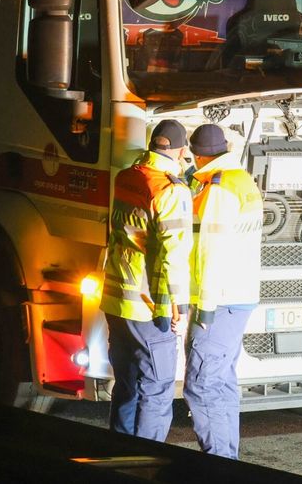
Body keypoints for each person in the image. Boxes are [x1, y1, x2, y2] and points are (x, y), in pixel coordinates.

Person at [101, 119, 193, 441]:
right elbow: (173, 256)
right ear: (180, 151)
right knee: (156, 389)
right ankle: (147, 458)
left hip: (116, 300)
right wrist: (181, 308)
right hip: (148, 306)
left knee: (126, 386)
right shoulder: (170, 190)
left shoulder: (126, 177)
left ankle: (118, 456)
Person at [183, 123, 263, 459]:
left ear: (198, 155)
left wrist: (205, 306)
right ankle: (229, 459)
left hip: (220, 299)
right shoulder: (241, 179)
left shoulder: (218, 188)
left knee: (202, 385)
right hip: (239, 296)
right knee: (223, 383)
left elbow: (210, 250)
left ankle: (219, 464)